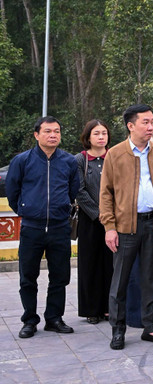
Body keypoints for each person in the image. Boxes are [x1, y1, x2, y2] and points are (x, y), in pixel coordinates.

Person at [100, 104, 153, 350]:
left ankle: (150, 327)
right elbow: (106, 193)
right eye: (145, 122)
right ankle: (118, 330)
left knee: (151, 279)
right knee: (120, 281)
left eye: (152, 122)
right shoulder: (115, 154)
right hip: (125, 228)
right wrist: (110, 227)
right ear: (131, 125)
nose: (151, 127)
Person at [6, 116, 79, 339]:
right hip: (31, 227)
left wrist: (60, 208)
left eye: (56, 131)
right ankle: (29, 320)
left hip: (59, 227)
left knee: (60, 276)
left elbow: (73, 190)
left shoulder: (69, 161)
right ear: (37, 135)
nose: (53, 135)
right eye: (47, 131)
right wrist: (26, 210)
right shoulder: (22, 161)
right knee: (28, 277)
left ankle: (54, 318)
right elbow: (12, 191)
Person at [75, 119, 114, 324]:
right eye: (96, 133)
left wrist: (110, 216)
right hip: (90, 220)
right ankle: (91, 309)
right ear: (88, 137)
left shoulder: (114, 156)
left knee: (111, 264)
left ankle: (109, 307)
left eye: (104, 133)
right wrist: (99, 214)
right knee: (90, 264)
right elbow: (79, 190)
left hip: (114, 220)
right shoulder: (80, 160)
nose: (101, 137)